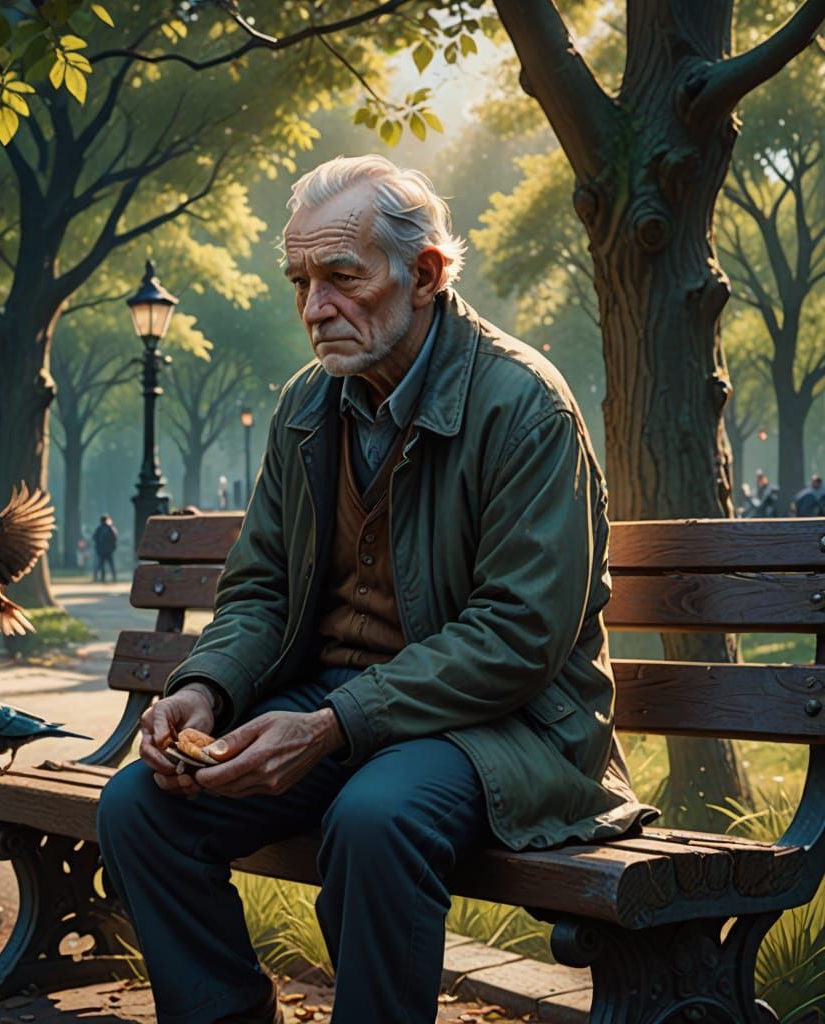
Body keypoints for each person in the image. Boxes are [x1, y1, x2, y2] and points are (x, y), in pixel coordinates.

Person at [97, 156, 654, 1024]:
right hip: (339, 715)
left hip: (504, 729)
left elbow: (518, 636)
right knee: (140, 806)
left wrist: (329, 726)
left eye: (342, 277)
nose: (316, 308)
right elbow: (259, 593)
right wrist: (203, 689)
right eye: (302, 281)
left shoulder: (524, 406)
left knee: (377, 816)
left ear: (425, 274)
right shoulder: (306, 407)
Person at [92, 514, 118, 582]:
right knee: (111, 565)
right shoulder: (110, 528)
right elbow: (115, 538)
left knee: (100, 565)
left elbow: (94, 538)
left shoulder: (99, 528)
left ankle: (99, 578)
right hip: (109, 550)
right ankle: (114, 577)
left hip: (101, 550)